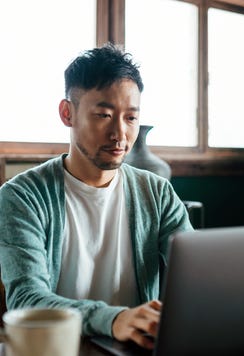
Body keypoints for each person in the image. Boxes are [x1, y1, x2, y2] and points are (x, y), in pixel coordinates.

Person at [0, 43, 193, 350]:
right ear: (67, 113)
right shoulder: (21, 197)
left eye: (131, 118)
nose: (120, 134)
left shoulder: (156, 192)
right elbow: (27, 299)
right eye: (104, 115)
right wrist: (115, 319)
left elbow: (196, 278)